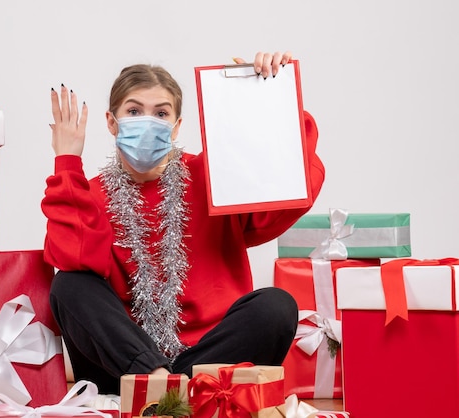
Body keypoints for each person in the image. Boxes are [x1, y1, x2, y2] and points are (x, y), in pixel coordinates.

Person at [42, 51, 325, 395]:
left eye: (161, 113)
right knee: (69, 285)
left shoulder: (212, 176)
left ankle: (170, 393)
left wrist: (266, 96)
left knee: (276, 305)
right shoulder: (91, 193)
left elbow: (289, 186)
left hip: (210, 360)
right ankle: (164, 385)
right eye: (133, 112)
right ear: (112, 122)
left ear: (176, 126)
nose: (147, 122)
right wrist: (67, 159)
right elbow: (74, 258)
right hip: (124, 373)